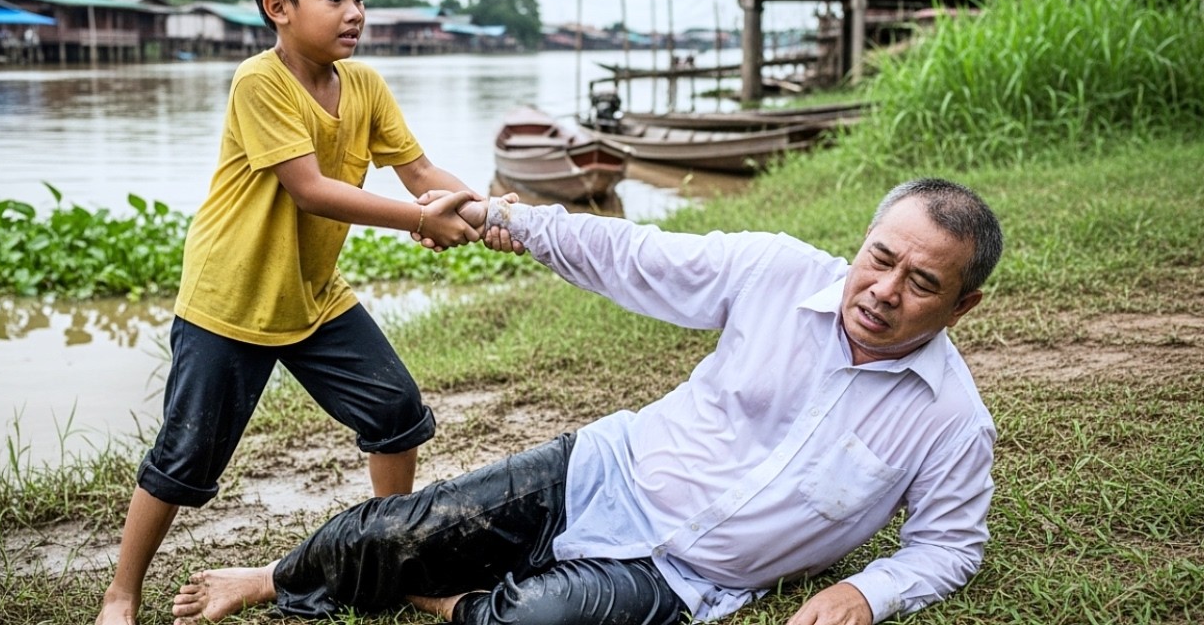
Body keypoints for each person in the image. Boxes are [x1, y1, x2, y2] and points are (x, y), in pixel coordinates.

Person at [169, 178, 1004, 625]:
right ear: (862, 242)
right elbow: (633, 252)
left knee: (531, 624)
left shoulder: (952, 420)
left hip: (689, 578)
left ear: (961, 305)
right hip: (610, 471)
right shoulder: (779, 270)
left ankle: (452, 592)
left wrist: (871, 592)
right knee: (394, 530)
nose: (883, 291)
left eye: (921, 282)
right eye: (878, 257)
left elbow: (949, 547)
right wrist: (506, 218)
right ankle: (272, 577)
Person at [94, 0, 493, 625]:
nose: (356, 13)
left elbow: (422, 173)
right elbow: (309, 188)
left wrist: (490, 214)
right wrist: (423, 220)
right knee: (184, 461)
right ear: (278, 7)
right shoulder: (260, 82)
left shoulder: (364, 84)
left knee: (397, 415)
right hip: (230, 301)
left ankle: (385, 563)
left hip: (312, 300)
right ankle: (120, 596)